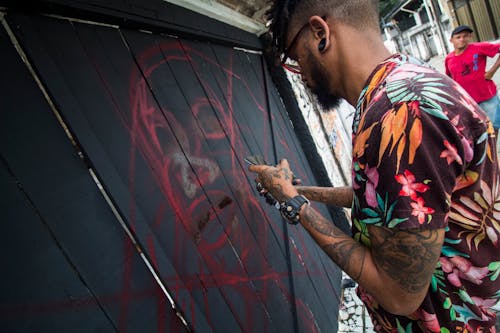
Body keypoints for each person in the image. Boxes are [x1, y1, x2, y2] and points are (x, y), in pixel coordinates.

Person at [249, 1, 500, 332]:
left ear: (320, 33)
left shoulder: (398, 117)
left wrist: (296, 205)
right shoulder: (403, 84)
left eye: (297, 60)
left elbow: (399, 295)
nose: (302, 75)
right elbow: (391, 204)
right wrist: (298, 190)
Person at [445, 25, 500, 136]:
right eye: (458, 37)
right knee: (475, 131)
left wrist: (492, 71)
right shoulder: (449, 58)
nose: (462, 39)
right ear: (451, 40)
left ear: (470, 37)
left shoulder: (479, 47)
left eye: (465, 36)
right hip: (466, 101)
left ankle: (493, 151)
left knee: (493, 126)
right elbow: (449, 78)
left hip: (486, 96)